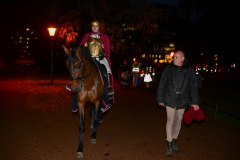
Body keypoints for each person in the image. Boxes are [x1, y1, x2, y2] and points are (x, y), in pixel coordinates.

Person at [156, 51, 200, 157]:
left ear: (182, 59)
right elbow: (162, 84)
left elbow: (193, 87)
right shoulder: (168, 69)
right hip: (170, 98)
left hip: (183, 100)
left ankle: (174, 141)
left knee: (178, 121)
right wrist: (160, 98)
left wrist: (195, 101)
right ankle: (169, 143)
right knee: (170, 120)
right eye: (174, 57)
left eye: (176, 57)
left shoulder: (190, 71)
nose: (173, 59)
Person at [71, 20, 114, 113]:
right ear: (91, 28)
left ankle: (107, 91)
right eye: (93, 26)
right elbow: (82, 49)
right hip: (89, 60)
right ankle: (75, 101)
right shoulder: (87, 37)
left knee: (105, 71)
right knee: (78, 72)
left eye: (96, 26)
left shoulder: (104, 37)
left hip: (100, 59)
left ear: (99, 28)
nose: (94, 28)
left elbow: (106, 50)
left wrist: (104, 54)